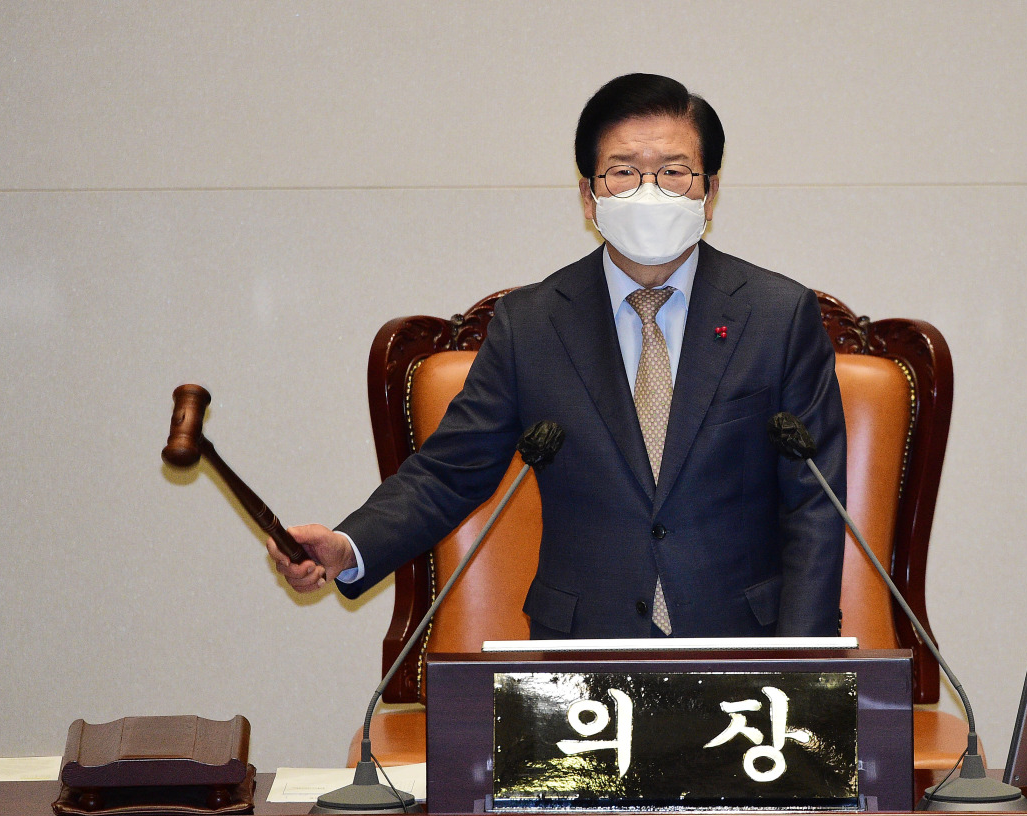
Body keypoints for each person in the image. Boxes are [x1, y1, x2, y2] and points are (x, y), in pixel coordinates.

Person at [269, 73, 847, 638]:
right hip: (579, 658)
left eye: (674, 172)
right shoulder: (533, 323)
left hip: (744, 653)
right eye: (623, 172)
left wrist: (804, 668)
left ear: (711, 190)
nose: (649, 190)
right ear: (587, 195)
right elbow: (449, 472)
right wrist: (350, 545)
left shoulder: (777, 316)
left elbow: (815, 509)